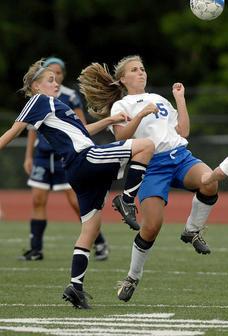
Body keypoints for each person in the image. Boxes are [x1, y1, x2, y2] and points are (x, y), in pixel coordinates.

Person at [0, 58, 156, 309]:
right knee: (146, 146)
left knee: (91, 228)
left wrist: (109, 120)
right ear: (36, 86)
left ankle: (76, 287)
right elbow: (13, 130)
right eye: (49, 80)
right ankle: (126, 201)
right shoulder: (39, 100)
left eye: (56, 78)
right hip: (85, 159)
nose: (55, 82)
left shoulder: (56, 104)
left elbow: (82, 132)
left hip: (78, 168)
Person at [78, 55, 218, 303]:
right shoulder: (121, 106)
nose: (141, 72)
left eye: (143, 68)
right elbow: (122, 138)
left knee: (210, 181)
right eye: (134, 69)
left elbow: (183, 131)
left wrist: (180, 100)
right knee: (151, 226)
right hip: (152, 167)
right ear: (123, 79)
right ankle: (132, 277)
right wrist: (141, 114)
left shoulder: (159, 98)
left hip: (181, 157)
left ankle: (192, 230)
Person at [21, 57, 109, 262]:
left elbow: (81, 126)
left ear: (63, 74)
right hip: (42, 157)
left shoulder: (69, 97)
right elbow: (32, 128)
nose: (56, 78)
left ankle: (99, 240)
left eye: (58, 73)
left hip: (65, 156)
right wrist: (28, 156)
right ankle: (36, 249)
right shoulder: (37, 100)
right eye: (51, 74)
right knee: (37, 200)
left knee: (76, 202)